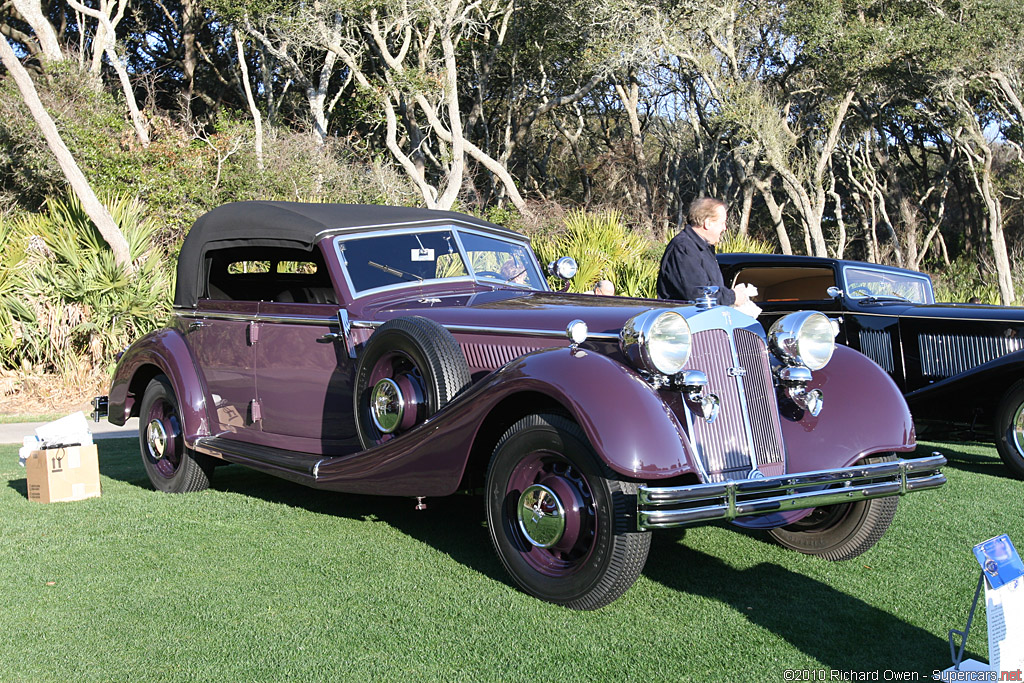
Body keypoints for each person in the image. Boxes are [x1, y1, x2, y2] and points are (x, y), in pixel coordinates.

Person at [656, 197, 754, 307]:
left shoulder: (702, 247)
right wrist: (733, 297)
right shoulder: (683, 248)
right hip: (687, 321)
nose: (725, 228)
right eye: (722, 223)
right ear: (707, 223)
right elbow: (698, 294)